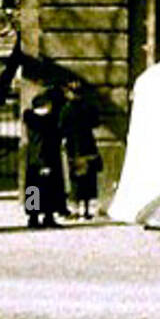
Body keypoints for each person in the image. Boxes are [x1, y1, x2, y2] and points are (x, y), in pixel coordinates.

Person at [22, 88, 67, 228]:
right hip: (46, 159)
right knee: (48, 189)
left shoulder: (32, 120)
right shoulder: (46, 123)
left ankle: (33, 217)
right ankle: (48, 216)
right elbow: (42, 144)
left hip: (33, 160)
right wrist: (44, 163)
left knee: (33, 188)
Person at [59, 80, 103, 221]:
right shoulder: (88, 107)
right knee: (89, 180)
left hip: (74, 147)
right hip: (88, 145)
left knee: (76, 180)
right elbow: (96, 122)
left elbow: (61, 127)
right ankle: (86, 209)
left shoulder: (66, 109)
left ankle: (75, 209)